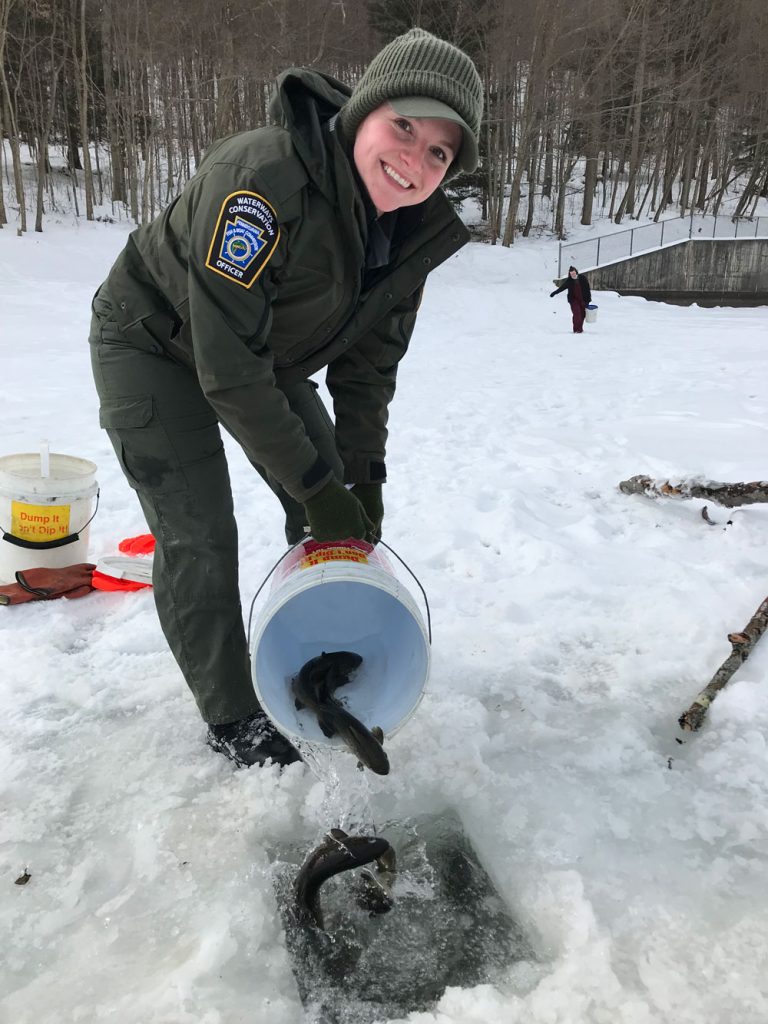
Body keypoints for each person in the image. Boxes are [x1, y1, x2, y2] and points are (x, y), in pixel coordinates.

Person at [88, 28, 483, 769]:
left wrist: (360, 478)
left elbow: (368, 371)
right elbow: (227, 368)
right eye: (405, 126)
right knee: (201, 534)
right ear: (366, 111)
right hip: (151, 342)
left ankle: (322, 648)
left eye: (440, 152)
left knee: (329, 500)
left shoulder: (408, 236)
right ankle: (234, 715)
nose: (414, 161)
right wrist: (319, 486)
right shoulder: (261, 180)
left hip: (258, 357)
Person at [550, 265, 592, 333]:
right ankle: (576, 330)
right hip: (573, 300)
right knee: (577, 314)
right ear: (570, 274)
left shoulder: (583, 278)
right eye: (571, 274)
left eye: (574, 273)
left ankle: (580, 329)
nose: (573, 274)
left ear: (576, 272)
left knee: (582, 314)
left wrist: (588, 300)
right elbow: (562, 288)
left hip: (583, 300)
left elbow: (587, 289)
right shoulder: (569, 281)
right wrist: (554, 293)